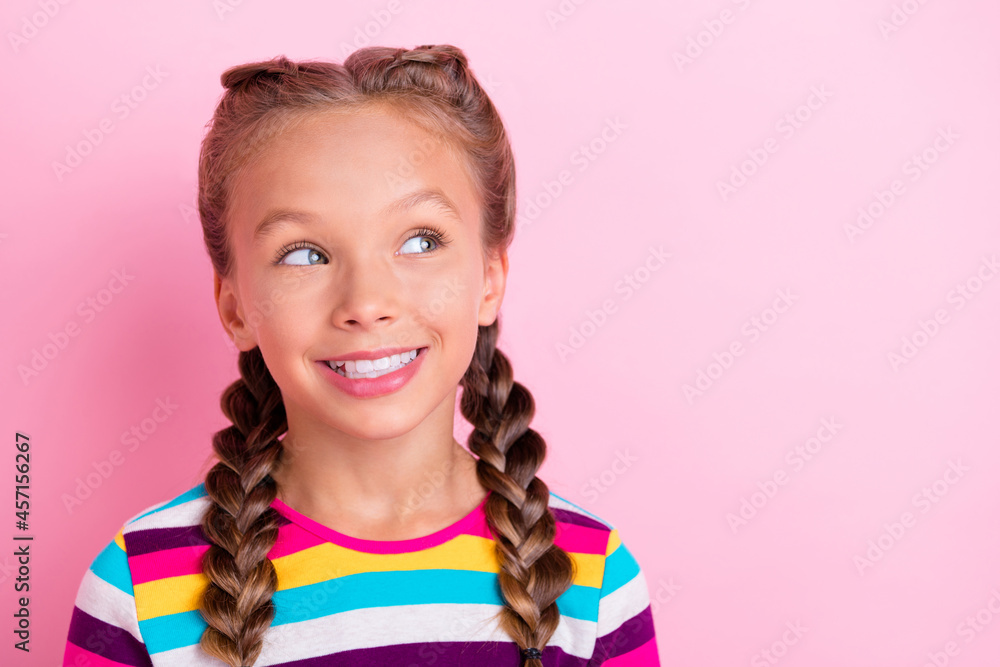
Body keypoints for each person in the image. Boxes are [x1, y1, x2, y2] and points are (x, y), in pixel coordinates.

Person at [62, 44, 660, 667]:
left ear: (489, 277)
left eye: (420, 241)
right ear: (235, 306)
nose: (366, 303)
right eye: (303, 254)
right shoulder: (136, 589)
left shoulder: (592, 581)